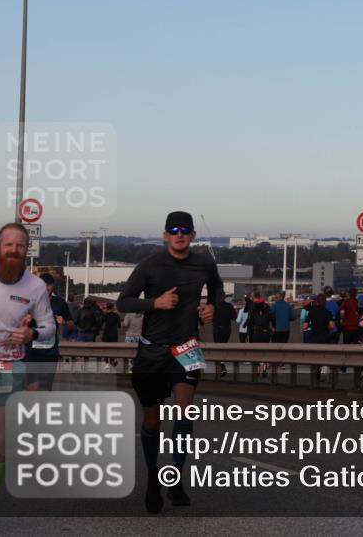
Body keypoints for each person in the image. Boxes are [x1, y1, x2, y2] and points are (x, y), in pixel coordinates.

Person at [116, 211, 222, 513]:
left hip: (186, 347)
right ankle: (152, 477)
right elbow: (124, 301)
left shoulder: (204, 262)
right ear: (165, 235)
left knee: (185, 411)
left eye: (185, 231)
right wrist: (155, 303)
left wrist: (211, 306)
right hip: (151, 352)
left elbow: (216, 287)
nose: (179, 235)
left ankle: (175, 478)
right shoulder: (150, 265)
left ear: (192, 236)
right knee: (152, 421)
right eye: (173, 230)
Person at [0, 223, 55, 536]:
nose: (14, 250)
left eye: (20, 245)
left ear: (26, 249)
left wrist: (32, 333)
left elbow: (49, 328)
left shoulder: (35, 287)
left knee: (0, 445)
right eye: (8, 245)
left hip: (9, 368)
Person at [24, 273, 69, 391]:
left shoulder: (60, 302)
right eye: (43, 285)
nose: (46, 288)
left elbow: (72, 323)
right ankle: (32, 408)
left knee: (46, 386)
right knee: (32, 386)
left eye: (48, 285)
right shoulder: (29, 301)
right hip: (31, 351)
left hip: (50, 352)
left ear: (53, 286)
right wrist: (27, 320)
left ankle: (43, 408)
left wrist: (64, 322)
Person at [213, 295, 235, 377]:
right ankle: (222, 366)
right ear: (224, 297)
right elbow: (234, 317)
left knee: (217, 349)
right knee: (223, 347)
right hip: (226, 330)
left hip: (217, 330)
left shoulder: (215, 306)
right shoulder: (229, 306)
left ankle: (222, 367)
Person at [101, 302, 122, 368]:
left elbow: (101, 324)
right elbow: (119, 326)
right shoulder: (116, 316)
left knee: (106, 348)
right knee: (114, 347)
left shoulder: (104, 315)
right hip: (114, 333)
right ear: (112, 307)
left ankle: (106, 363)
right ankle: (113, 360)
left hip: (106, 333)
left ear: (107, 307)